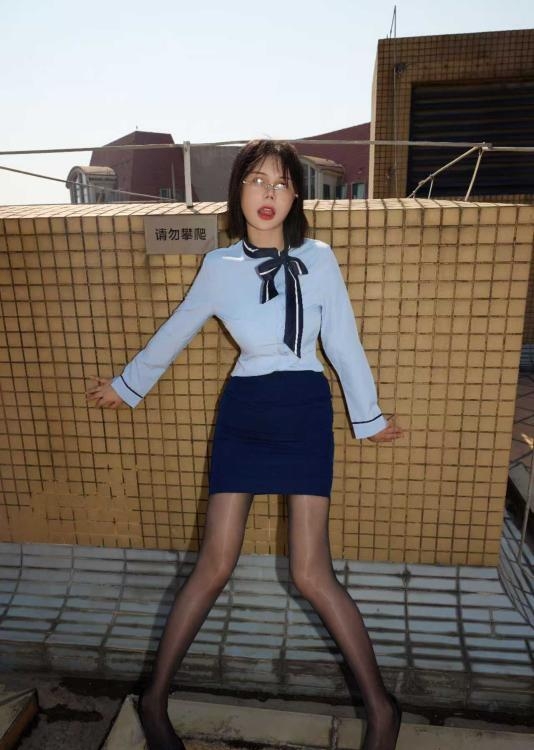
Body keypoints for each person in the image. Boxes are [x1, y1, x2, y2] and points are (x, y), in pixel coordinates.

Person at [86, 139, 405, 750]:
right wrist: (127, 385)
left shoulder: (320, 258)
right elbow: (176, 328)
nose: (268, 194)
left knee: (311, 572)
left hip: (304, 410)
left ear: (295, 196)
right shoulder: (219, 266)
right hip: (245, 412)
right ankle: (154, 701)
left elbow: (343, 342)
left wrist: (369, 417)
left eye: (281, 183)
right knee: (214, 563)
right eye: (257, 180)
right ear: (238, 190)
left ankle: (382, 709)